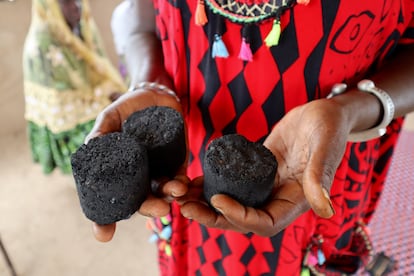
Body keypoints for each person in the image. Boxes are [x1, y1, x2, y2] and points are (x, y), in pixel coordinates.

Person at [86, 0, 414, 275]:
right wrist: (149, 80)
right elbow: (141, 13)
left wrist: (351, 110)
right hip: (187, 164)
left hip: (318, 160)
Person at [22, 0, 127, 174]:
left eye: (78, 0)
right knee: (108, 127)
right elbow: (67, 94)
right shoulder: (44, 41)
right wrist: (106, 97)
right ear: (51, 6)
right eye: (67, 2)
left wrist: (111, 92)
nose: (76, 6)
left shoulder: (83, 25)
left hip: (91, 94)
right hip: (67, 109)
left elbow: (99, 68)